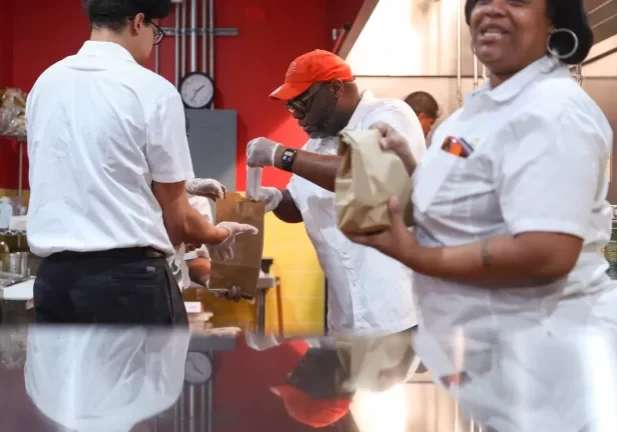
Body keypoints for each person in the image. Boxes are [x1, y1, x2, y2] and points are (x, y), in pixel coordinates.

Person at [345, 0, 617, 430]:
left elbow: (545, 254)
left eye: (516, 1)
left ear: (554, 22)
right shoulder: (480, 109)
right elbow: (461, 209)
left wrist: (416, 256)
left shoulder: (554, 111)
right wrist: (402, 161)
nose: (490, 10)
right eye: (482, 0)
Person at [25, 0, 257, 325]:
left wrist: (181, 185)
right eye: (155, 30)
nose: (152, 40)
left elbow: (95, 167)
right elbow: (178, 225)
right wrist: (217, 234)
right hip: (127, 284)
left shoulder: (44, 84)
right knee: (146, 377)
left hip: (54, 282)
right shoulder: (153, 90)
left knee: (63, 376)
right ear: (137, 22)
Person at [239, 49, 426, 336]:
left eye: (302, 104)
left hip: (401, 314)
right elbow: (298, 209)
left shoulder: (388, 115)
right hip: (346, 318)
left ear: (336, 88)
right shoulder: (316, 147)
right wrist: (276, 198)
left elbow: (362, 175)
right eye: (290, 107)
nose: (297, 116)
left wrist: (282, 155)